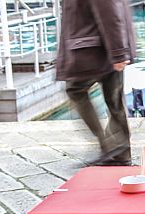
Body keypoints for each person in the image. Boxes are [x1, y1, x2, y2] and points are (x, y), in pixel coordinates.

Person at [55, 0, 136, 166]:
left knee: (76, 90)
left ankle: (111, 147)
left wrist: (119, 52)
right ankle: (119, 151)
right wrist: (119, 50)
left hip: (94, 47)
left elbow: (110, 11)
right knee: (113, 98)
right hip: (103, 44)